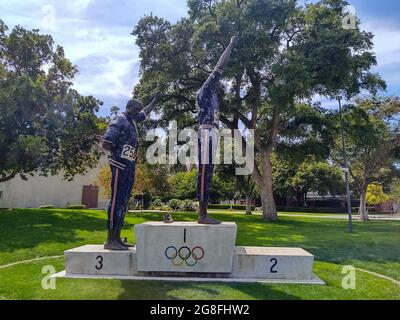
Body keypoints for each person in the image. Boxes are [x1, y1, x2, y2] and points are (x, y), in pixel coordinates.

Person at [102, 93, 162, 250]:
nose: (138, 112)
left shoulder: (132, 120)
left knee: (124, 202)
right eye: (136, 109)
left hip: (129, 167)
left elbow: (144, 114)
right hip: (120, 165)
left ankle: (117, 237)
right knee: (116, 201)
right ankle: (110, 239)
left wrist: (155, 99)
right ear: (128, 108)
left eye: (139, 110)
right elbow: (107, 142)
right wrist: (118, 154)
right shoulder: (120, 119)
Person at [196, 36, 239, 225]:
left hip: (212, 133)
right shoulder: (206, 89)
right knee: (205, 171)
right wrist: (230, 45)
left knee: (209, 172)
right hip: (206, 133)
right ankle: (202, 214)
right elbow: (219, 67)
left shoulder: (213, 96)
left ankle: (204, 213)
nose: (220, 83)